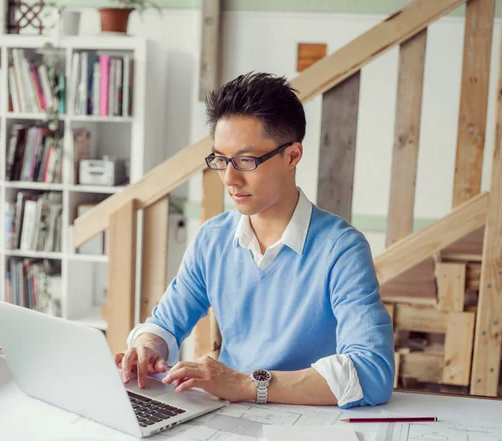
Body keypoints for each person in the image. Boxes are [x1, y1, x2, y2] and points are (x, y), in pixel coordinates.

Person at [114, 72, 394, 409]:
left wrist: (246, 384)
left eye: (246, 160)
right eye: (221, 160)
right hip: (228, 418)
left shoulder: (341, 249)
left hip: (309, 425)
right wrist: (148, 346)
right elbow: (165, 323)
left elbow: (373, 373)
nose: (230, 178)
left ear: (292, 156)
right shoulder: (213, 239)